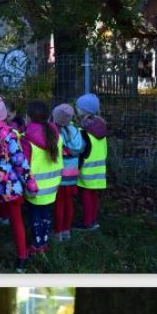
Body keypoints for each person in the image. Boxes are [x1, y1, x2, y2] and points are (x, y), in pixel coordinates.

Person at [0, 95, 36, 273]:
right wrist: (30, 182)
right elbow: (19, 161)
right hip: (9, 184)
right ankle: (21, 257)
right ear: (3, 114)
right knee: (16, 220)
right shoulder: (10, 134)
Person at [22, 101, 65, 256]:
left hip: (35, 188)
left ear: (28, 118)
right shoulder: (56, 135)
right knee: (46, 215)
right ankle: (44, 242)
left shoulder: (27, 139)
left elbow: (23, 164)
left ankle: (36, 245)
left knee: (34, 217)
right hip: (53, 186)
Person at [74, 95, 109, 232]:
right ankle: (93, 220)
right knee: (93, 195)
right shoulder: (101, 127)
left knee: (86, 195)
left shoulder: (84, 130)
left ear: (84, 110)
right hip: (99, 168)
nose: (76, 109)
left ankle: (87, 223)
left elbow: (80, 150)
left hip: (86, 168)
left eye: (78, 107)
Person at [52, 103, 85, 241]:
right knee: (69, 203)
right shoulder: (76, 130)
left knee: (59, 203)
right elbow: (82, 147)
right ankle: (67, 230)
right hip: (73, 173)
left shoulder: (56, 132)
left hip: (60, 174)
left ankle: (58, 232)